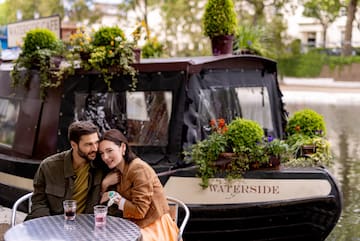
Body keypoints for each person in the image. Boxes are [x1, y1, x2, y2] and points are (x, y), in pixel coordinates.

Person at [99, 129, 179, 241]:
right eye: (102, 153)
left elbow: (140, 211)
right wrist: (105, 184)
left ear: (123, 147)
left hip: (154, 228)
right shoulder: (117, 172)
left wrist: (114, 196)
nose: (105, 157)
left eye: (109, 151)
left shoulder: (138, 169)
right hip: (133, 226)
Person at [26, 120, 104, 220]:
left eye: (96, 142)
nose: (95, 148)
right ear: (74, 145)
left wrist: (106, 182)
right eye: (88, 144)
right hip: (53, 225)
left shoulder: (101, 163)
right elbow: (39, 203)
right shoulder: (49, 167)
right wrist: (50, 227)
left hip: (87, 227)